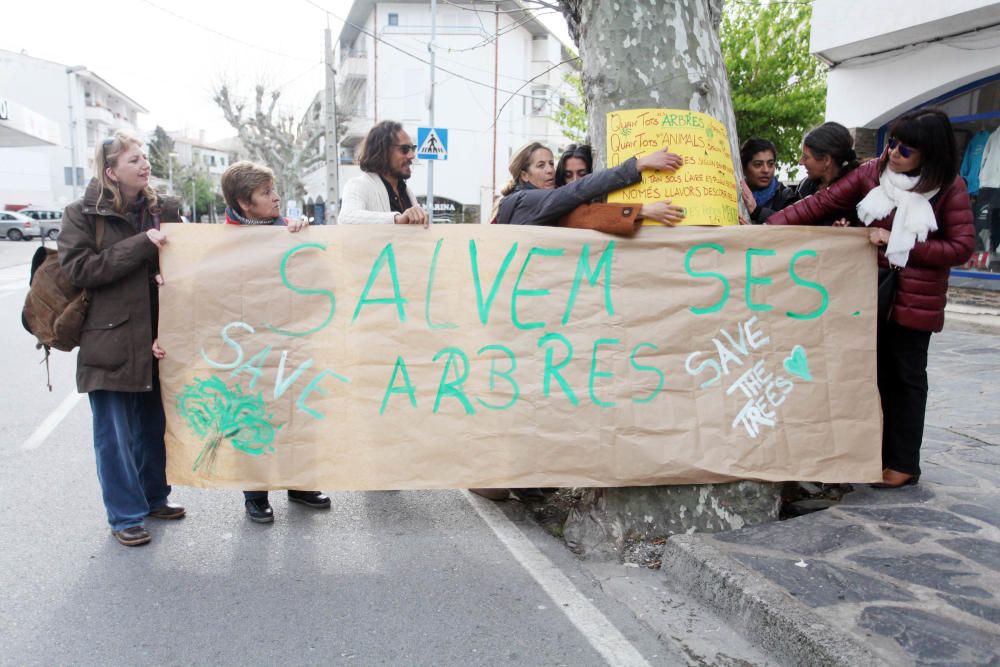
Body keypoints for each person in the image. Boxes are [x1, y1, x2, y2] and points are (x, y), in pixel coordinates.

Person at [769, 109, 975, 488]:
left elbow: (961, 247)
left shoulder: (950, 188)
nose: (893, 153)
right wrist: (765, 229)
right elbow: (819, 204)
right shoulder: (872, 173)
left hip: (915, 301)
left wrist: (900, 242)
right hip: (867, 292)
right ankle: (871, 454)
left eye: (905, 149)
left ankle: (902, 464)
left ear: (929, 153)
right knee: (868, 376)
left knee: (906, 379)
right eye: (892, 143)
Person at [58, 130, 185, 547]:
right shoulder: (81, 214)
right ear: (111, 172)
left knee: (152, 426)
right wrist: (140, 246)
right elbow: (79, 270)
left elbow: (191, 258)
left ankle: (153, 497)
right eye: (133, 160)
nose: (144, 164)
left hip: (158, 337)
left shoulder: (163, 209)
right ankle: (125, 516)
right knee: (114, 435)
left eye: (145, 157)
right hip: (108, 340)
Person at [214, 160, 331, 522]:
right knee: (252, 418)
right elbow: (206, 294)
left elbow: (319, 278)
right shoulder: (220, 244)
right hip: (247, 350)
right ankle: (256, 494)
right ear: (244, 203)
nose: (276, 198)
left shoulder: (291, 232)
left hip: (292, 342)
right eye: (266, 193)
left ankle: (300, 485)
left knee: (298, 414)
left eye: (273, 189)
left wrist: (303, 239)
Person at [492, 142, 686, 228]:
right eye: (540, 165)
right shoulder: (528, 200)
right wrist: (638, 164)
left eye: (551, 163)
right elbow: (581, 196)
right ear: (524, 175)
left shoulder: (520, 203)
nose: (550, 170)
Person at [339, 120, 429, 226]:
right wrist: (396, 219)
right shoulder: (359, 185)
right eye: (404, 149)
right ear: (383, 151)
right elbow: (346, 217)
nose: (411, 156)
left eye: (412, 149)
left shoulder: (407, 192)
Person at [794, 122, 862, 226]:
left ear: (826, 160)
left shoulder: (859, 194)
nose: (800, 162)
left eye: (806, 157)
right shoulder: (804, 188)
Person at [738, 138, 797, 224]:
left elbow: (794, 228)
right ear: (743, 168)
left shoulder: (786, 197)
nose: (766, 170)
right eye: (758, 165)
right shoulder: (733, 195)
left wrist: (757, 212)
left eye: (770, 164)